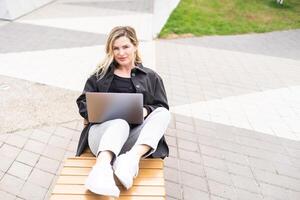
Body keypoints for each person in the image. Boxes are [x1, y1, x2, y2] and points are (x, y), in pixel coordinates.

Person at [76, 26, 171, 197]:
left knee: (164, 114)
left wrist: (146, 110)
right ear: (110, 50)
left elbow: (161, 106)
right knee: (120, 123)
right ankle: (101, 170)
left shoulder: (151, 77)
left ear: (135, 46)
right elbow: (83, 104)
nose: (121, 52)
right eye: (115, 48)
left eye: (125, 46)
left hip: (133, 141)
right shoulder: (99, 76)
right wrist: (103, 111)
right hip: (102, 137)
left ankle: (130, 160)